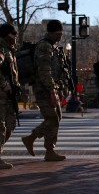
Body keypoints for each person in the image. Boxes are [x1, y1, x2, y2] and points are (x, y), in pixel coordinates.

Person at [22, 20, 67, 161]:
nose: (61, 36)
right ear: (52, 32)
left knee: (56, 117)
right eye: (59, 33)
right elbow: (44, 71)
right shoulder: (44, 46)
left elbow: (55, 71)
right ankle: (46, 148)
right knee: (52, 118)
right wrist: (52, 90)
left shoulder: (53, 46)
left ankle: (34, 140)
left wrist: (58, 87)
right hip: (44, 88)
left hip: (51, 87)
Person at [0, 23, 21, 169]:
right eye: (13, 34)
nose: (15, 37)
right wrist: (4, 84)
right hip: (1, 94)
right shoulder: (1, 49)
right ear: (7, 35)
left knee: (10, 125)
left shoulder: (9, 50)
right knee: (1, 127)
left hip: (8, 96)